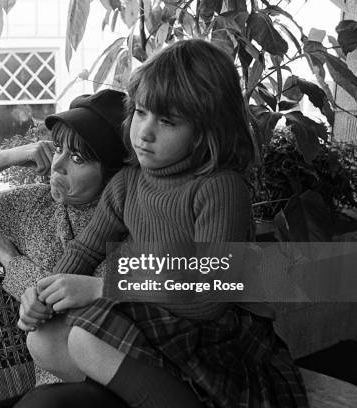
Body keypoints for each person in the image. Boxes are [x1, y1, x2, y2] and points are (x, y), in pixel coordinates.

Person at [21, 39, 308, 408]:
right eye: (141, 112)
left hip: (215, 334)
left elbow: (209, 296)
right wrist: (42, 295)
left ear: (207, 130)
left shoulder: (219, 188)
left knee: (85, 339)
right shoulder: (127, 183)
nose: (144, 132)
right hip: (157, 320)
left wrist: (102, 287)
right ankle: (155, 394)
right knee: (42, 338)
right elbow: (85, 248)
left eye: (167, 121)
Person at [0, 89, 130, 389]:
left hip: (118, 382)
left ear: (111, 174)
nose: (58, 164)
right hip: (54, 384)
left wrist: (14, 265)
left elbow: (80, 308)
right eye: (58, 148)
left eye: (78, 158)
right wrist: (2, 160)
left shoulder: (130, 221)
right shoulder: (31, 205)